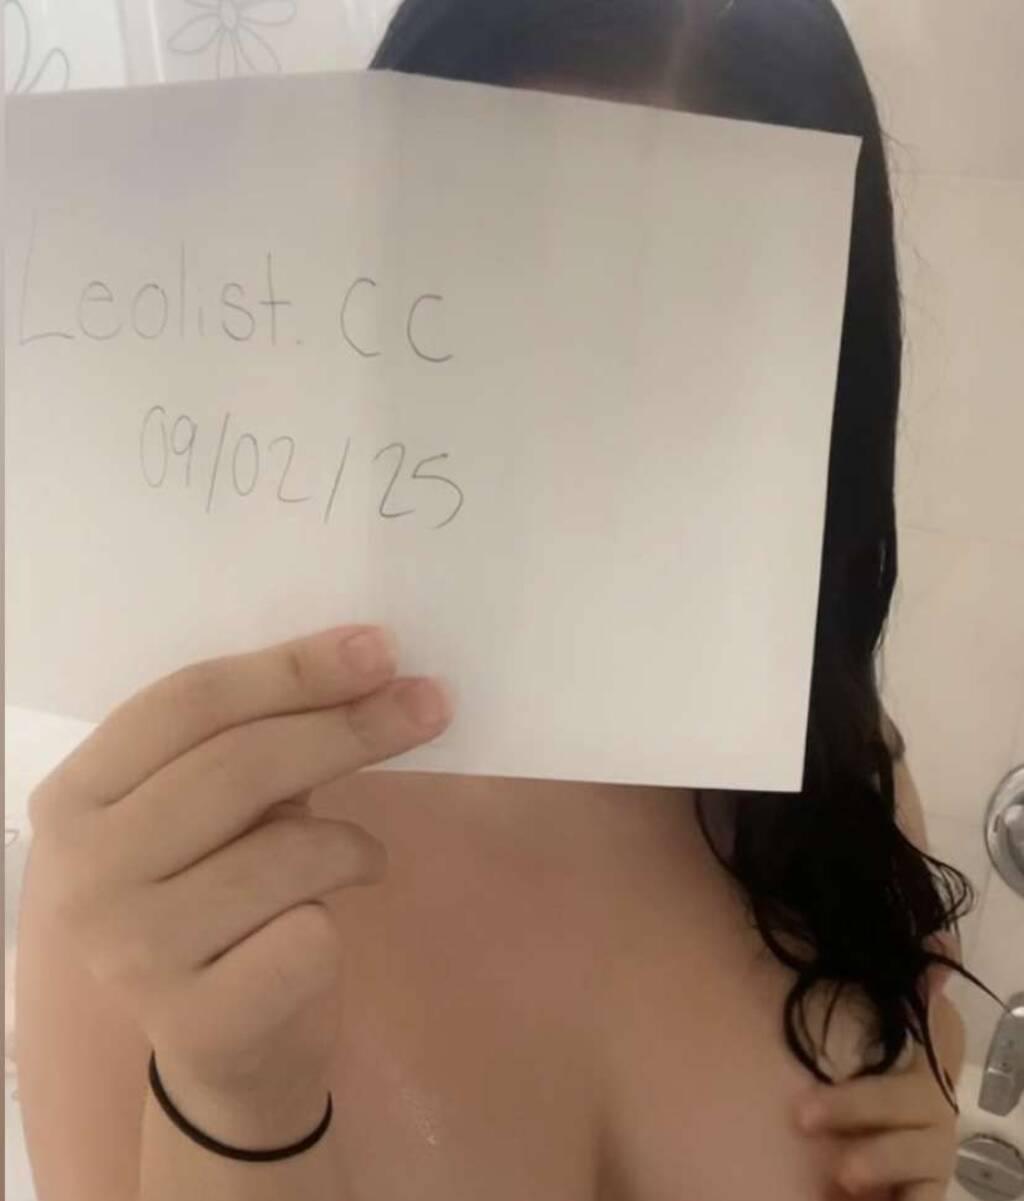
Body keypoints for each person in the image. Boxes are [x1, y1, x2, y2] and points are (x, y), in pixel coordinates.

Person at [14, 1, 987, 1199]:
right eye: (500, 280)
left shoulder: (842, 776)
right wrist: (233, 1106)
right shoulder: (169, 860)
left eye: (699, 320)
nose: (580, 423)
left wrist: (921, 1158)